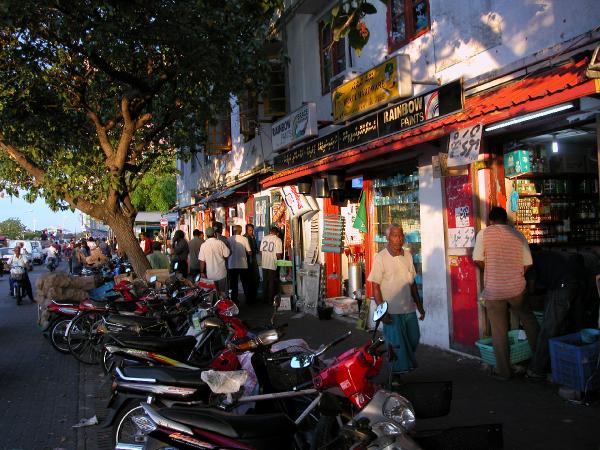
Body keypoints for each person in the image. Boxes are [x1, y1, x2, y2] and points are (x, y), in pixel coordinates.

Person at [472, 206, 539, 380]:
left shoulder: (484, 234)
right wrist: (515, 273)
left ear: (491, 220)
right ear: (506, 220)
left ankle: (504, 372)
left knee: (499, 330)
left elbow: (477, 259)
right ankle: (540, 364)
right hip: (517, 288)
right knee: (529, 321)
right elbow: (528, 263)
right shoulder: (518, 235)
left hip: (494, 289)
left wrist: (492, 270)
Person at [367, 224, 425, 374]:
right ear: (388, 238)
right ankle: (395, 375)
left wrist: (419, 305)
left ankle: (401, 366)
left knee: (414, 337)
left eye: (400, 235)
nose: (398, 239)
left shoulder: (408, 255)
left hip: (408, 308)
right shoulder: (380, 257)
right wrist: (382, 311)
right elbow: (375, 286)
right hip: (390, 311)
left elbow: (412, 283)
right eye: (394, 235)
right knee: (396, 345)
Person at [526, 246, 584, 379]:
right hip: (577, 282)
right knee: (570, 326)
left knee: (549, 328)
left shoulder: (532, 260)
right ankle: (569, 363)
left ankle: (537, 370)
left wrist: (528, 294)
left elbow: (532, 288)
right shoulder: (548, 255)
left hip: (562, 286)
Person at [199, 227, 230, 294]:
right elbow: (227, 255)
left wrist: (201, 272)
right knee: (223, 293)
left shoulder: (203, 245)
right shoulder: (220, 243)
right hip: (222, 273)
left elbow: (202, 261)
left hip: (210, 275)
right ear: (215, 234)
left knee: (213, 294)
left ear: (206, 235)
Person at [228, 225, 253, 305]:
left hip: (232, 264)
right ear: (241, 231)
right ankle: (248, 299)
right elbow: (249, 252)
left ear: (234, 231)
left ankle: (234, 300)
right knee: (245, 283)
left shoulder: (229, 239)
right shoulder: (244, 239)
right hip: (243, 264)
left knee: (233, 283)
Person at [260, 226, 283, 305]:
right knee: (271, 282)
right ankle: (270, 300)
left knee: (265, 282)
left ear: (270, 232)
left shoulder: (264, 238)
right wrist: (281, 262)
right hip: (272, 264)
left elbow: (261, 252)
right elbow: (278, 254)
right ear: (277, 233)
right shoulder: (278, 239)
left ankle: (264, 299)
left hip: (264, 264)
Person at [244, 223, 260, 301]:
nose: (251, 232)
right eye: (250, 230)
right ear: (246, 230)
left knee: (255, 279)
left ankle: (253, 296)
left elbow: (255, 248)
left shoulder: (252, 237)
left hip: (253, 260)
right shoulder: (245, 238)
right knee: (249, 280)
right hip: (248, 261)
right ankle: (249, 297)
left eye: (252, 230)